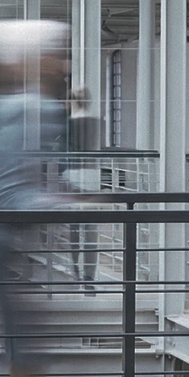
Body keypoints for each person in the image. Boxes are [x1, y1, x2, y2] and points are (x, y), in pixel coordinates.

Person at [0, 20, 71, 377]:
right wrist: (69, 204)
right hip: (14, 245)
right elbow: (13, 192)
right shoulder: (37, 110)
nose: (63, 62)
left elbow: (13, 179)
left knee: (27, 347)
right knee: (29, 348)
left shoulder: (15, 109)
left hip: (8, 244)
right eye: (56, 52)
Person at [64, 86, 102, 290]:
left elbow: (68, 152)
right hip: (92, 177)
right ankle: (89, 275)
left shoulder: (70, 124)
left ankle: (76, 272)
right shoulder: (97, 123)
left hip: (75, 177)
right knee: (90, 230)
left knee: (74, 229)